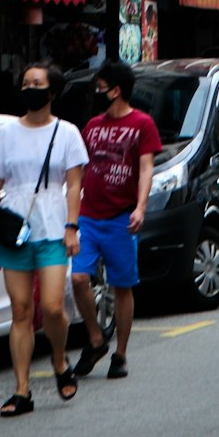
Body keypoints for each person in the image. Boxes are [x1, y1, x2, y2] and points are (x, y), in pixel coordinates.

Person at [0, 64, 87, 418]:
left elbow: (74, 184)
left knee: (52, 307)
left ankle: (58, 358)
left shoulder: (67, 133)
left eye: (37, 83)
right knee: (20, 310)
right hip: (13, 230)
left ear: (52, 92)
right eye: (25, 83)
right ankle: (22, 391)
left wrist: (71, 226)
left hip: (52, 227)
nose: (30, 88)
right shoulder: (7, 133)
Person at [71, 61, 162, 381]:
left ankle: (120, 354)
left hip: (121, 218)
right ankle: (96, 338)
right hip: (88, 217)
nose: (97, 93)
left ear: (116, 90)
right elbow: (78, 170)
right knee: (79, 279)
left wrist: (140, 207)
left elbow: (147, 168)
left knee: (122, 287)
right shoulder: (92, 125)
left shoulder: (142, 123)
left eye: (101, 87)